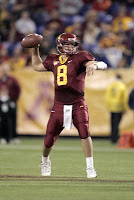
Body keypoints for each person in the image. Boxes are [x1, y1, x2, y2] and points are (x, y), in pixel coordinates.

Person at [31, 33, 107, 178]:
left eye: (72, 44)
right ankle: (45, 162)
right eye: (67, 44)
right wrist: (35, 49)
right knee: (48, 139)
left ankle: (90, 167)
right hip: (59, 104)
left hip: (77, 104)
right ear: (60, 45)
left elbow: (98, 64)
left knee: (85, 134)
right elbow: (36, 66)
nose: (70, 47)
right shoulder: (53, 59)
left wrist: (95, 65)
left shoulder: (80, 57)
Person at [0, 63, 21, 144]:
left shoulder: (12, 79)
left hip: (11, 102)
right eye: (3, 68)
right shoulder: (1, 80)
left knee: (12, 119)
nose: (4, 70)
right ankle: (4, 137)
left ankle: (13, 136)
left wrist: (14, 99)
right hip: (2, 102)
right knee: (3, 120)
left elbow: (18, 89)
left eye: (5, 68)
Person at [105, 74, 128, 143]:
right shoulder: (122, 86)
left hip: (112, 107)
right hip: (119, 107)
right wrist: (125, 108)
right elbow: (124, 98)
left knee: (112, 123)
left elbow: (107, 97)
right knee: (117, 123)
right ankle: (115, 138)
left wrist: (108, 106)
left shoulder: (111, 86)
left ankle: (112, 138)